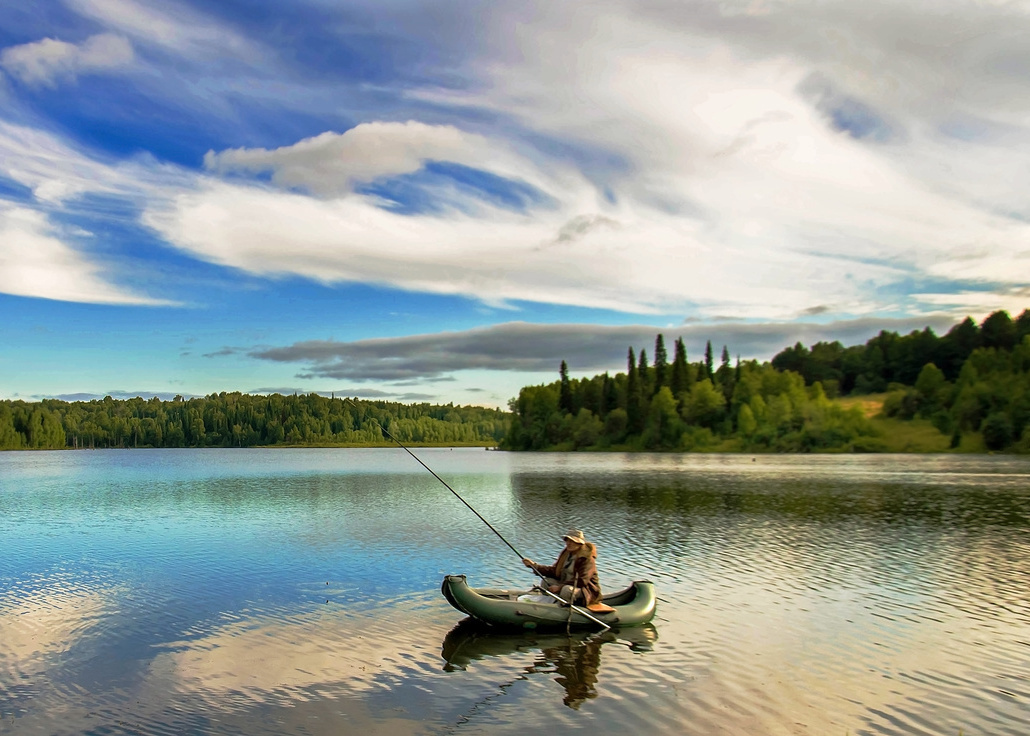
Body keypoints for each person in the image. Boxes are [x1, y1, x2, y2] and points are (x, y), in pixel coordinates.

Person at [522, 528, 602, 606]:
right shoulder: (566, 554)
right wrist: (534, 566)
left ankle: (564, 608)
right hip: (565, 584)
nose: (568, 543)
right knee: (547, 581)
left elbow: (582, 581)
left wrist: (559, 587)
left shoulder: (587, 559)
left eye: (572, 541)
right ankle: (549, 604)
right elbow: (554, 571)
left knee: (566, 590)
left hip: (586, 591)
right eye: (567, 540)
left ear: (579, 544)